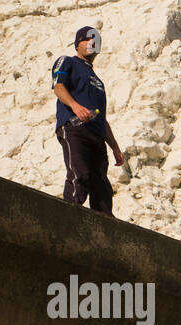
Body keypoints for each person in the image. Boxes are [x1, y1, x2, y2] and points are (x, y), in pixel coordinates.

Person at [52, 26, 124, 214]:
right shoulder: (67, 62)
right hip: (74, 128)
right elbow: (58, 87)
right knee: (79, 174)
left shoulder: (98, 81)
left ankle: (105, 228)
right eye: (87, 40)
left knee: (102, 187)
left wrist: (114, 147)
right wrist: (75, 106)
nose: (91, 43)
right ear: (77, 44)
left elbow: (103, 118)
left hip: (97, 137)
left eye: (95, 41)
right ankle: (68, 218)